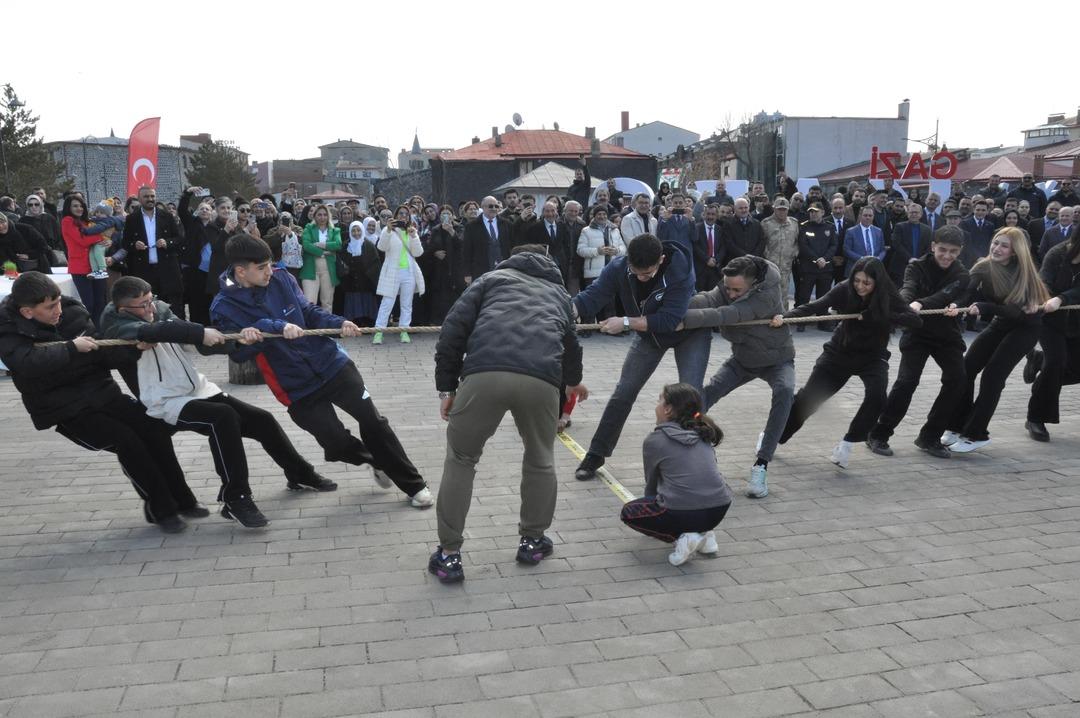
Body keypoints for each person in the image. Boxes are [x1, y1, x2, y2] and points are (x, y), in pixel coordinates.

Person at [211, 234, 433, 508]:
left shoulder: (282, 278)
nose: (270, 271)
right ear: (241, 271)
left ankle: (414, 485)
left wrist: (339, 323)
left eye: (270, 264)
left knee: (373, 422)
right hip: (295, 386)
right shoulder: (224, 306)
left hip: (331, 364)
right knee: (335, 443)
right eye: (262, 267)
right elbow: (236, 353)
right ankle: (375, 460)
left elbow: (308, 311)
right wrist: (248, 339)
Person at [99, 276, 333, 528]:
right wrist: (198, 332)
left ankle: (299, 473)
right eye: (143, 305)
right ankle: (236, 497)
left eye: (151, 300)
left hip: (196, 389)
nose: (151, 308)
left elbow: (191, 337)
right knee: (222, 417)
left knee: (262, 420)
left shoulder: (158, 310)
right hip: (163, 400)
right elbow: (155, 331)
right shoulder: (116, 325)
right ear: (123, 309)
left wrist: (236, 340)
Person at [430, 244, 587, 583]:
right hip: (541, 380)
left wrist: (447, 388)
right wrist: (573, 382)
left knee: (461, 459)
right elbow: (572, 346)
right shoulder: (560, 295)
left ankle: (449, 555)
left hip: (484, 373)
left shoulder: (489, 280)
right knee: (540, 458)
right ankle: (532, 541)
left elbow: (452, 331)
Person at [0, 272, 202, 533]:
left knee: (154, 429)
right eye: (50, 307)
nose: (58, 310)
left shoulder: (73, 312)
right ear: (27, 312)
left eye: (58, 302)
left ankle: (184, 500)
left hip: (105, 394)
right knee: (127, 441)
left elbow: (104, 354)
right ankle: (162, 509)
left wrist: (133, 349)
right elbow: (26, 363)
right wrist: (71, 348)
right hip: (66, 410)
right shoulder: (8, 329)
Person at [571, 233, 705, 480]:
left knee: (691, 395)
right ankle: (596, 454)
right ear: (628, 260)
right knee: (624, 392)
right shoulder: (618, 267)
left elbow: (669, 319)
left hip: (688, 333)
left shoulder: (681, 270)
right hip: (649, 336)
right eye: (636, 272)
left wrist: (624, 322)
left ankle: (698, 460)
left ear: (661, 259)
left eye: (648, 274)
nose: (642, 277)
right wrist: (569, 309)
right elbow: (594, 295)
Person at [776, 257, 922, 468]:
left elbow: (915, 320)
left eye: (867, 283)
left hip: (873, 356)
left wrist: (875, 314)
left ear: (877, 282)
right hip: (840, 352)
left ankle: (847, 443)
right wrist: (785, 318)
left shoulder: (888, 293)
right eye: (857, 280)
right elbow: (815, 305)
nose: (860, 286)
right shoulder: (844, 289)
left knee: (877, 396)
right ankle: (775, 437)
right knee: (809, 399)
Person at [679, 256, 794, 498]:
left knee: (785, 391)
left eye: (736, 291)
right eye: (727, 288)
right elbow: (710, 299)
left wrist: (683, 320)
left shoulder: (767, 294)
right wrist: (676, 307)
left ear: (753, 285)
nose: (730, 294)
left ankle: (762, 463)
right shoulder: (732, 284)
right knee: (706, 395)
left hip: (777, 360)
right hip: (743, 360)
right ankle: (682, 439)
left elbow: (726, 314)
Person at [867, 225, 970, 458]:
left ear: (960, 251)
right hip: (917, 332)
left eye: (953, 251)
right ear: (933, 246)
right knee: (906, 382)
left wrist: (922, 303)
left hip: (946, 334)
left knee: (957, 380)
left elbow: (947, 294)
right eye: (942, 249)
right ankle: (878, 433)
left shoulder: (962, 273)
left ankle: (930, 436)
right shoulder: (916, 266)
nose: (947, 256)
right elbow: (908, 288)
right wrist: (904, 305)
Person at [945, 228, 1049, 453]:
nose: (996, 248)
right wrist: (956, 304)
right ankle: (956, 425)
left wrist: (985, 307)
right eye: (995, 242)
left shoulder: (1025, 273)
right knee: (966, 368)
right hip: (1000, 323)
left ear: (1015, 251)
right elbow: (966, 291)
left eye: (1004, 245)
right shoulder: (984, 266)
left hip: (1025, 328)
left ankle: (975, 434)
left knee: (992, 376)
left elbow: (1017, 313)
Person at [619, 383, 733, 566]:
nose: (656, 405)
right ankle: (704, 534)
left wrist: (653, 507)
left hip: (684, 510)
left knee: (628, 512)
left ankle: (683, 538)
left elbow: (651, 482)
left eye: (659, 401)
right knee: (691, 501)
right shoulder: (702, 432)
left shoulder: (655, 440)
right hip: (720, 507)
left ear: (668, 409)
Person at [1023, 229, 1080, 442]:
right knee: (1055, 363)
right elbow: (1043, 281)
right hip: (1051, 321)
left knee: (1071, 370)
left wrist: (1063, 298)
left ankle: (1039, 362)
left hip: (1076, 321)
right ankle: (1035, 418)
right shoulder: (1056, 254)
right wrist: (1047, 298)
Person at [122, 186, 184, 318]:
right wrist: (134, 244)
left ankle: (176, 329)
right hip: (144, 271)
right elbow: (125, 243)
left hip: (167, 269)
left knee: (173, 306)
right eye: (146, 196)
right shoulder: (132, 219)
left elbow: (179, 239)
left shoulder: (167, 216)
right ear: (140, 199)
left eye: (152, 196)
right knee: (148, 306)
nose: (150, 199)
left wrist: (167, 242)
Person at [373, 206, 425, 345]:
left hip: (408, 272)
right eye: (400, 213)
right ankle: (379, 332)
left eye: (406, 214)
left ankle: (404, 331)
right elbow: (381, 247)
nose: (403, 216)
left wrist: (414, 236)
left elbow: (418, 253)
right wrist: (388, 230)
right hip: (392, 271)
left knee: (406, 303)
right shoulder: (388, 230)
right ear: (395, 216)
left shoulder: (411, 231)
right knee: (387, 302)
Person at [60, 195, 113, 326]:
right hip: (80, 268)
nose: (79, 208)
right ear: (68, 208)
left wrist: (109, 241)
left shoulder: (86, 221)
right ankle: (88, 329)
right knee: (88, 304)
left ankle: (99, 330)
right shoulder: (67, 221)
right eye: (75, 206)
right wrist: (102, 237)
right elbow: (82, 241)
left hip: (96, 266)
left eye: (81, 206)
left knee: (100, 302)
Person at [577, 205, 625, 320]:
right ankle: (588, 326)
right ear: (594, 216)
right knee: (591, 301)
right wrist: (597, 251)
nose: (602, 216)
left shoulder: (615, 230)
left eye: (604, 214)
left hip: (611, 272)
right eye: (599, 214)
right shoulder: (586, 231)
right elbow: (580, 250)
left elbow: (623, 248)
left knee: (609, 303)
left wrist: (616, 251)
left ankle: (608, 326)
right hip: (593, 273)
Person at [299, 204, 341, 311]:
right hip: (310, 269)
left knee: (327, 302)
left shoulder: (335, 230)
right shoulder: (308, 228)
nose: (322, 217)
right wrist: (323, 253)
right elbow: (306, 245)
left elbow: (338, 244)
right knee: (309, 302)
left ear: (328, 216)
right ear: (315, 216)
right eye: (319, 215)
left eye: (325, 215)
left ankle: (327, 321)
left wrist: (321, 244)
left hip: (328, 270)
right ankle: (310, 323)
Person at [462, 196, 512, 284]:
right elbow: (467, 251)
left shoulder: (506, 224)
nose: (494, 209)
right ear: (483, 207)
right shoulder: (471, 226)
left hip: (503, 270)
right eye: (491, 206)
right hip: (481, 271)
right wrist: (467, 273)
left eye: (496, 206)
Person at [761, 197, 799, 307]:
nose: (782, 212)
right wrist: (767, 257)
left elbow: (797, 242)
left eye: (784, 209)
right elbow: (761, 244)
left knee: (784, 295)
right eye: (779, 209)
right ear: (774, 209)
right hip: (770, 266)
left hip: (786, 267)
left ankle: (784, 315)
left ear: (788, 209)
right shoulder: (766, 224)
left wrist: (794, 253)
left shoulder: (794, 224)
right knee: (769, 294)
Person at [843, 206, 887, 276]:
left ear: (873, 216)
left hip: (873, 269)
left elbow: (883, 250)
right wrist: (862, 259)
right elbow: (846, 250)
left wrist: (878, 259)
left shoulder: (878, 231)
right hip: (856, 268)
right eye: (865, 215)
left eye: (870, 216)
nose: (868, 217)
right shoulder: (851, 231)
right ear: (860, 216)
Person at [692, 204, 725, 292]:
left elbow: (723, 247)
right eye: (708, 214)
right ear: (704, 215)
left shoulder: (720, 230)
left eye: (713, 214)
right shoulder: (696, 228)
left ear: (717, 216)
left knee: (714, 295)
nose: (710, 217)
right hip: (700, 269)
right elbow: (695, 246)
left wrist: (716, 260)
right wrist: (707, 259)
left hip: (715, 269)